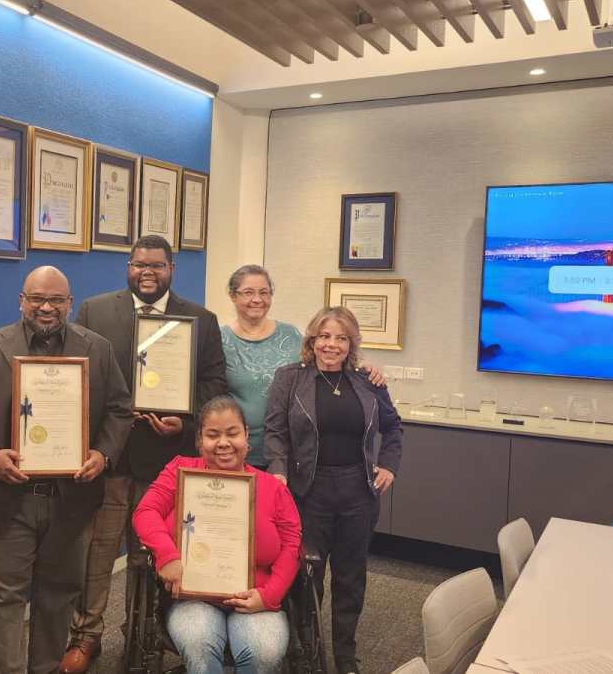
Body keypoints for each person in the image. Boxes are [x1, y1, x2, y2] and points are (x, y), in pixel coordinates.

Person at [0, 266, 133, 674]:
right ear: (21, 300)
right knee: (4, 597)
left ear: (70, 302)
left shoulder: (97, 349)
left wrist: (103, 454)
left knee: (58, 594)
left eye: (55, 300)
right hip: (5, 498)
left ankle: (47, 667)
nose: (45, 308)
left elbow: (120, 410)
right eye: (36, 299)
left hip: (71, 500)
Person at [61, 235, 228, 673]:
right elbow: (78, 376)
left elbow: (214, 384)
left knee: (159, 554)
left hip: (167, 461)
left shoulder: (201, 319)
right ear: (127, 267)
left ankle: (150, 634)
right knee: (98, 552)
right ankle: (86, 635)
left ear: (172, 267)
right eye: (138, 265)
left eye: (156, 265)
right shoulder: (96, 312)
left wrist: (187, 421)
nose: (147, 272)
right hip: (110, 456)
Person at [263, 306, 403, 674]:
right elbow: (275, 432)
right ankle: (305, 651)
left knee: (350, 577)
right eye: (325, 336)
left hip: (358, 491)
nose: (331, 345)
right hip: (308, 492)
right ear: (312, 339)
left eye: (341, 338)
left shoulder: (366, 380)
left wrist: (388, 463)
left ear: (351, 343)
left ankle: (344, 654)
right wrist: (277, 471)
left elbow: (393, 427)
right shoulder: (290, 378)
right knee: (307, 576)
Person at [132, 396, 301, 674]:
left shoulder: (272, 487)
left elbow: (292, 543)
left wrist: (269, 596)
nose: (223, 443)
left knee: (264, 652)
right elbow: (145, 511)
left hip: (255, 598)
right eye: (213, 435)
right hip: (194, 598)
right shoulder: (179, 471)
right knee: (199, 644)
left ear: (247, 436)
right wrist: (167, 555)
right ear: (199, 440)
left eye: (232, 433)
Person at [221, 265, 385, 469]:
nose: (257, 299)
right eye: (248, 292)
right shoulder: (220, 339)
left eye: (264, 292)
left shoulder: (290, 335)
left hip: (291, 451)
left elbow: (326, 358)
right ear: (232, 296)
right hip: (236, 450)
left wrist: (363, 367)